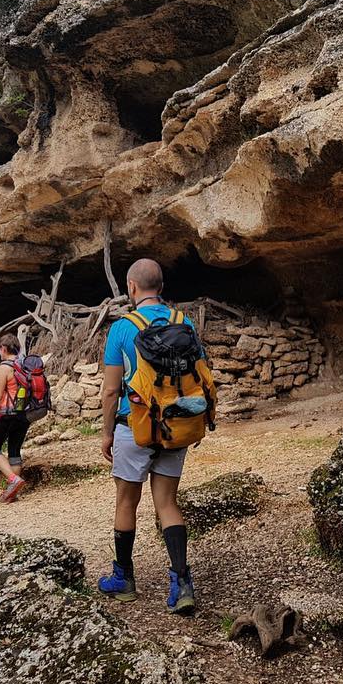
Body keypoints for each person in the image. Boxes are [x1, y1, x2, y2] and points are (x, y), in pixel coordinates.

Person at [98, 258, 196, 614]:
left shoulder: (122, 328)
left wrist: (107, 433)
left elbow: (111, 391)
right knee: (167, 503)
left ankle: (123, 579)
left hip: (134, 426)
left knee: (126, 503)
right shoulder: (182, 322)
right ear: (162, 286)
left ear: (131, 287)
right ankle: (181, 583)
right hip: (176, 424)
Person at [0, 333, 30, 503]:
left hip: (6, 414)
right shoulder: (25, 363)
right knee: (14, 450)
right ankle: (12, 494)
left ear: (3, 349)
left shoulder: (5, 366)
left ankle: (13, 479)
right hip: (24, 414)